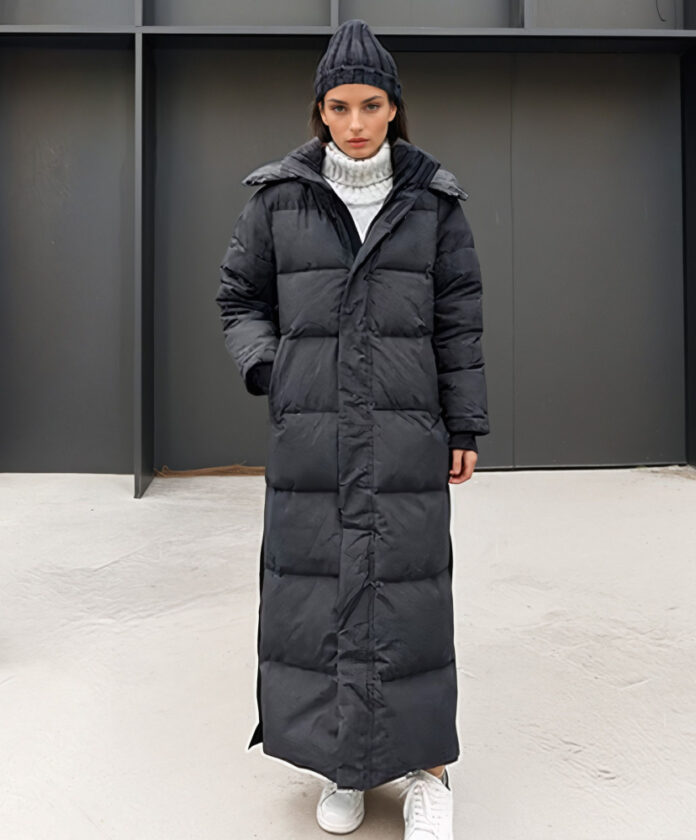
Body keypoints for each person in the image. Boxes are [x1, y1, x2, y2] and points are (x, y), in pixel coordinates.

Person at [215, 18, 489, 839]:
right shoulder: (279, 200)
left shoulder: (434, 202)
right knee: (315, 596)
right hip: (313, 434)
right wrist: (274, 367)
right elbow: (239, 299)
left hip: (407, 431)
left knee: (409, 598)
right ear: (321, 111)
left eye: (373, 104)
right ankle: (345, 760)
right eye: (341, 105)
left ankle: (428, 771)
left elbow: (459, 319)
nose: (358, 122)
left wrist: (466, 418)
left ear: (394, 108)